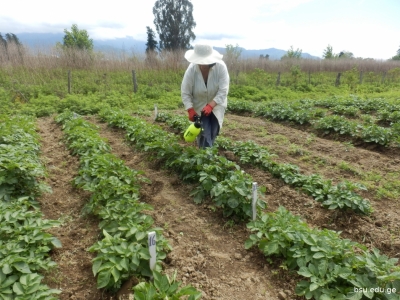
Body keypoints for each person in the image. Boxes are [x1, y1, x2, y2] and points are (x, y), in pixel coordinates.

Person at [181, 44, 229, 148]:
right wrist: (190, 109)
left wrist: (211, 105)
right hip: (199, 106)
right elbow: (185, 92)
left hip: (217, 105)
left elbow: (223, 90)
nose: (203, 65)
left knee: (213, 132)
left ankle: (206, 155)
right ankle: (206, 158)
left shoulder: (221, 67)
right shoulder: (191, 70)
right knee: (204, 132)